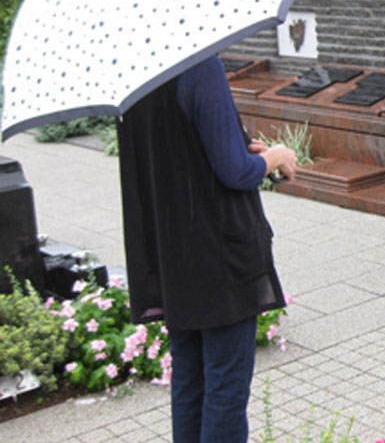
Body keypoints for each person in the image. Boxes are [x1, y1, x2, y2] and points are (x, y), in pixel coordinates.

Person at [117, 55, 298, 443]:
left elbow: (178, 153)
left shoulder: (136, 74)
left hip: (172, 253)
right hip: (219, 254)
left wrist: (239, 146)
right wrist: (274, 157)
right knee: (225, 389)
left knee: (190, 380)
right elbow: (234, 172)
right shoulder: (199, 65)